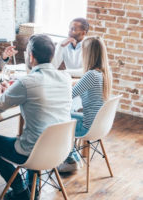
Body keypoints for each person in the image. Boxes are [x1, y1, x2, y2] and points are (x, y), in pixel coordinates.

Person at [0, 34, 72, 200]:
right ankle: (32, 190)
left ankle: (20, 190)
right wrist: (12, 91)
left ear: (31, 56)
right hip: (61, 149)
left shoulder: (27, 82)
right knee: (38, 132)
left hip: (33, 153)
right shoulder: (66, 78)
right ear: (51, 56)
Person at [58, 36, 112, 173]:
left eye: (82, 51)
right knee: (69, 114)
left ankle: (70, 159)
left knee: (57, 120)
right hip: (100, 125)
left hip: (87, 127)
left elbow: (68, 96)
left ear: (88, 54)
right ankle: (73, 157)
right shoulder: (105, 73)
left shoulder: (91, 75)